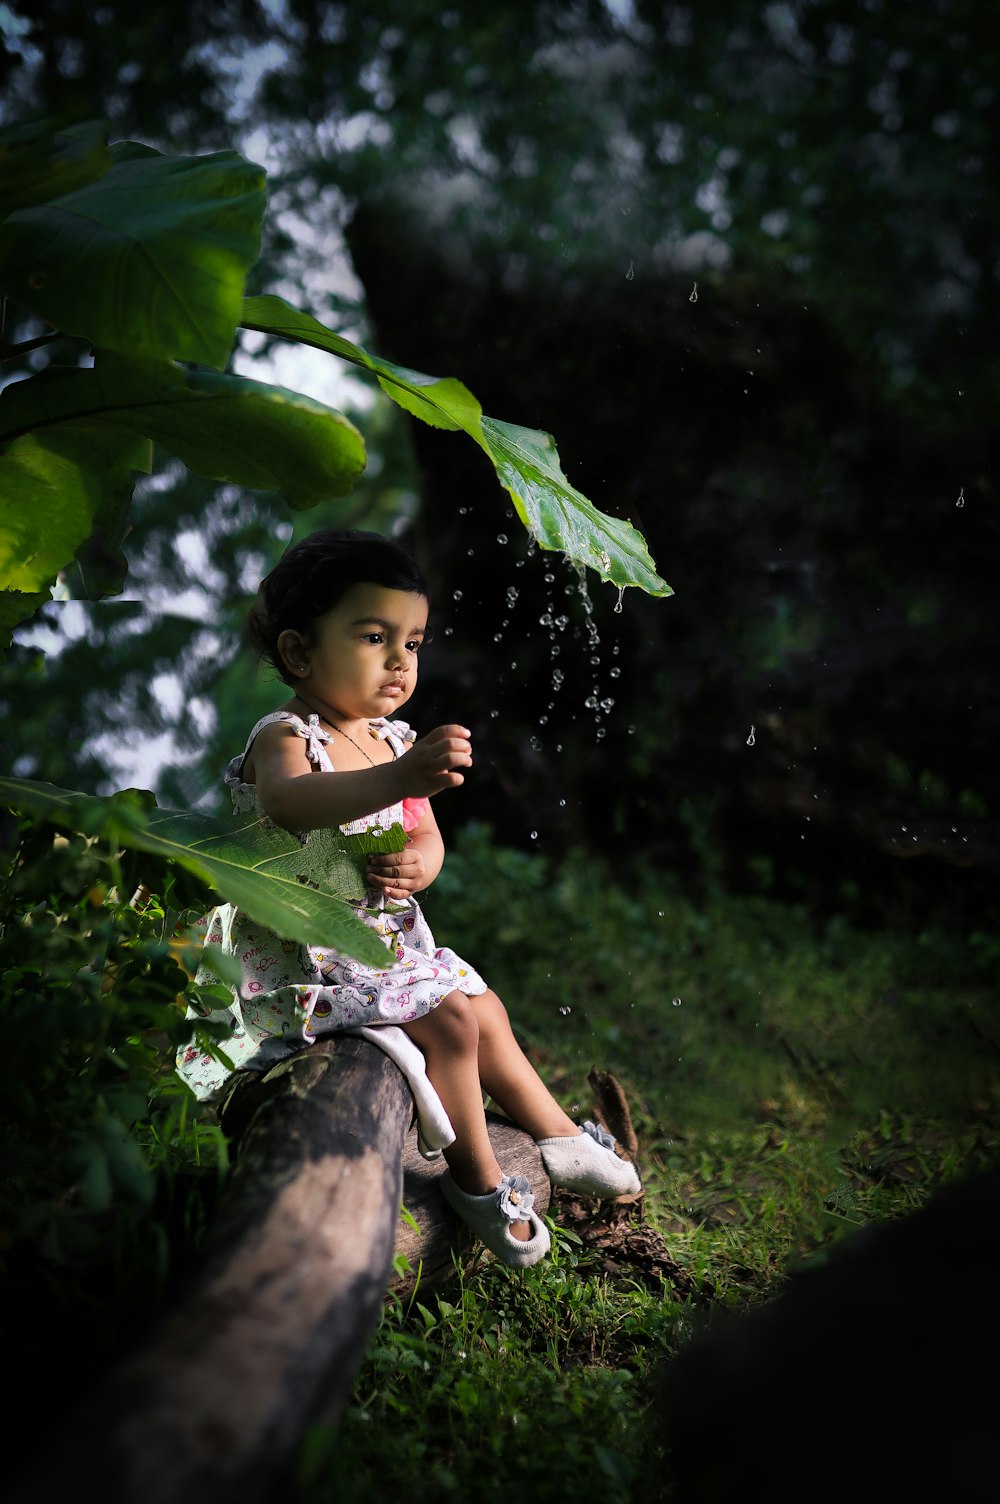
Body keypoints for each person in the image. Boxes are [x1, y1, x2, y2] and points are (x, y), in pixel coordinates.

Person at [177, 527, 639, 1267]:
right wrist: (398, 782)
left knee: (485, 1007)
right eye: (373, 636)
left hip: (382, 941)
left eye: (414, 643)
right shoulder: (287, 735)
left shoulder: (392, 740)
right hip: (308, 950)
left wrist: (422, 861)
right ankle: (479, 1181)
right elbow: (292, 803)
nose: (399, 661)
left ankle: (557, 1136)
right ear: (300, 653)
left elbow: (426, 833)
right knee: (453, 1021)